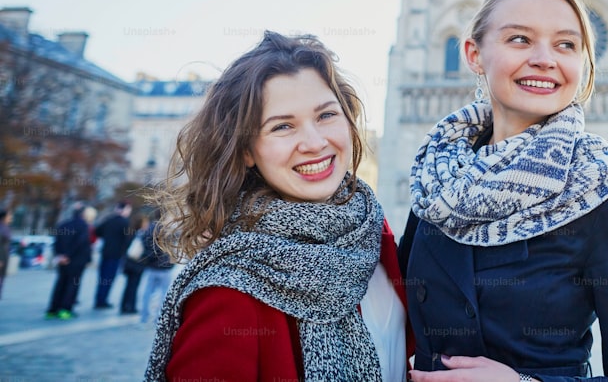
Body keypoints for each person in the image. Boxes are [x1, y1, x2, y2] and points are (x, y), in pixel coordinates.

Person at [400, 0, 608, 381]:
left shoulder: (605, 192)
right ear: (474, 54)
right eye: (519, 39)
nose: (545, 58)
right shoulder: (436, 176)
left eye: (566, 44)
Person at [144, 31, 411, 382]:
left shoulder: (371, 231)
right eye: (283, 126)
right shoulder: (228, 292)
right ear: (246, 151)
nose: (315, 143)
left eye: (326, 115)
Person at [45, 202, 92, 319]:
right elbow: (80, 242)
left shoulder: (63, 224)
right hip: (76, 261)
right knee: (73, 285)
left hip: (62, 261)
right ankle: (65, 310)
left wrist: (61, 256)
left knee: (60, 283)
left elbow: (56, 242)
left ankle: (53, 309)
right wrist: (68, 255)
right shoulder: (83, 226)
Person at [94, 200, 132, 309]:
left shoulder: (109, 220)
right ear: (124, 209)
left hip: (105, 253)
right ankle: (102, 301)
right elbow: (127, 239)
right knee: (109, 278)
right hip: (116, 255)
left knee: (102, 277)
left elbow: (97, 231)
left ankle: (99, 299)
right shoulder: (125, 222)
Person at [138, 210, 174, 325]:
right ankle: (158, 318)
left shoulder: (150, 228)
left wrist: (150, 257)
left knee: (148, 292)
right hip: (164, 267)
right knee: (163, 294)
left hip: (152, 266)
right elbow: (170, 248)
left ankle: (144, 317)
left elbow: (144, 243)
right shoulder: (166, 230)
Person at [119, 213, 149, 314]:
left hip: (128, 263)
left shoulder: (130, 233)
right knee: (134, 286)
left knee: (128, 285)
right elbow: (144, 250)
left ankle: (124, 306)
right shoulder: (142, 234)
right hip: (137, 264)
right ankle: (131, 306)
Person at [0, 209, 12, 300]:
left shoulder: (5, 227)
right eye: (9, 215)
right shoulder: (1, 227)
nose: (11, 217)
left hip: (4, 257)